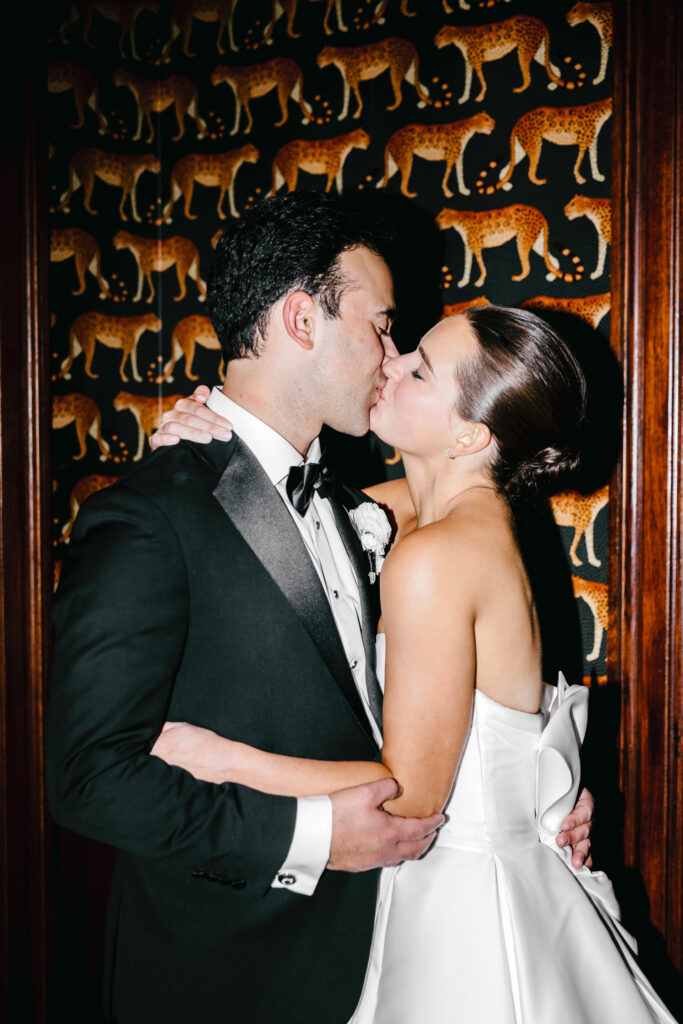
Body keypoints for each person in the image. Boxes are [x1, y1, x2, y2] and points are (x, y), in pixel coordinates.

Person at [47, 193, 593, 1024]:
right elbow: (87, 780)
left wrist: (531, 798)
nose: (390, 352)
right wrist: (306, 837)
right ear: (303, 320)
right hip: (224, 978)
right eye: (381, 326)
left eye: (409, 356)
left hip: (394, 951)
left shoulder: (358, 513)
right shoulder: (152, 513)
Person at [149, 305, 677, 1023]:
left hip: (459, 904)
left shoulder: (436, 557)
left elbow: (409, 802)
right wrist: (198, 436)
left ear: (470, 433)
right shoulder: (424, 516)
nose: (388, 362)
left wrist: (219, 760)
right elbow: (285, 524)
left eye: (419, 368)